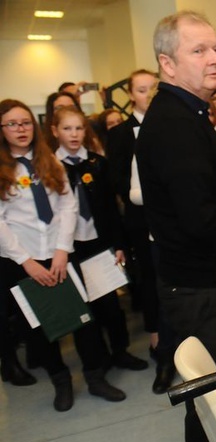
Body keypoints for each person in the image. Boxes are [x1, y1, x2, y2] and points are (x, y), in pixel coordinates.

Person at [135, 11, 216, 442]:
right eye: (199, 51)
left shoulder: (187, 116)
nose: (215, 59)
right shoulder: (175, 124)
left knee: (215, 407)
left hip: (208, 285)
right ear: (167, 63)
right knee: (214, 411)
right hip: (204, 291)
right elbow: (200, 220)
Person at [0, 99, 126, 411]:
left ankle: (95, 378)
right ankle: (61, 381)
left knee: (84, 319)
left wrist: (60, 252)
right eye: (12, 124)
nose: (21, 129)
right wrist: (27, 262)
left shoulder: (50, 162)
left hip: (59, 255)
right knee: (41, 328)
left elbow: (67, 207)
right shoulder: (2, 170)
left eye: (26, 122)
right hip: (23, 260)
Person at [51, 105, 148, 372]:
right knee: (85, 311)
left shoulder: (97, 163)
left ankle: (120, 351)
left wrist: (118, 244)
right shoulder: (50, 167)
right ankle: (97, 360)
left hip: (99, 242)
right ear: (55, 131)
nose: (74, 135)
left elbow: (111, 208)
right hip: (69, 248)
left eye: (79, 128)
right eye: (67, 129)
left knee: (111, 305)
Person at [105, 68, 173, 393]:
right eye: (142, 90)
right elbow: (116, 180)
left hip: (173, 221)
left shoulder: (170, 128)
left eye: (153, 89)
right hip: (140, 220)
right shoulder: (120, 134)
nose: (148, 95)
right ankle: (159, 347)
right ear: (132, 95)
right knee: (149, 282)